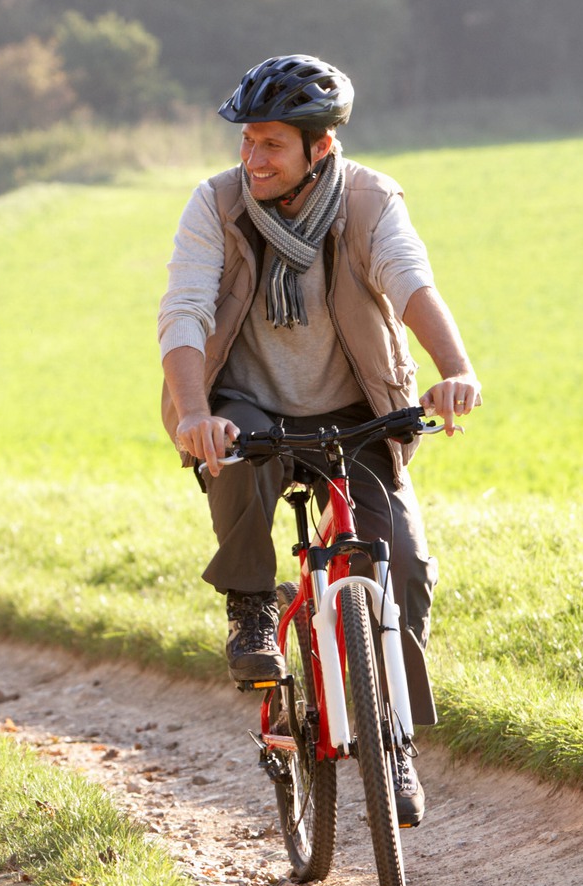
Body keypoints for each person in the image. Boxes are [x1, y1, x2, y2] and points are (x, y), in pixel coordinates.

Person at [156, 55, 483, 826]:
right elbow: (184, 314)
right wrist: (195, 411)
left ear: (320, 149)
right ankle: (250, 607)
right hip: (247, 402)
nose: (252, 158)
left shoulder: (369, 200)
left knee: (399, 558)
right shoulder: (216, 205)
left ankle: (392, 741)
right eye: (248, 142)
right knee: (234, 450)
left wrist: (456, 370)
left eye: (272, 144)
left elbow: (409, 283)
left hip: (354, 406)